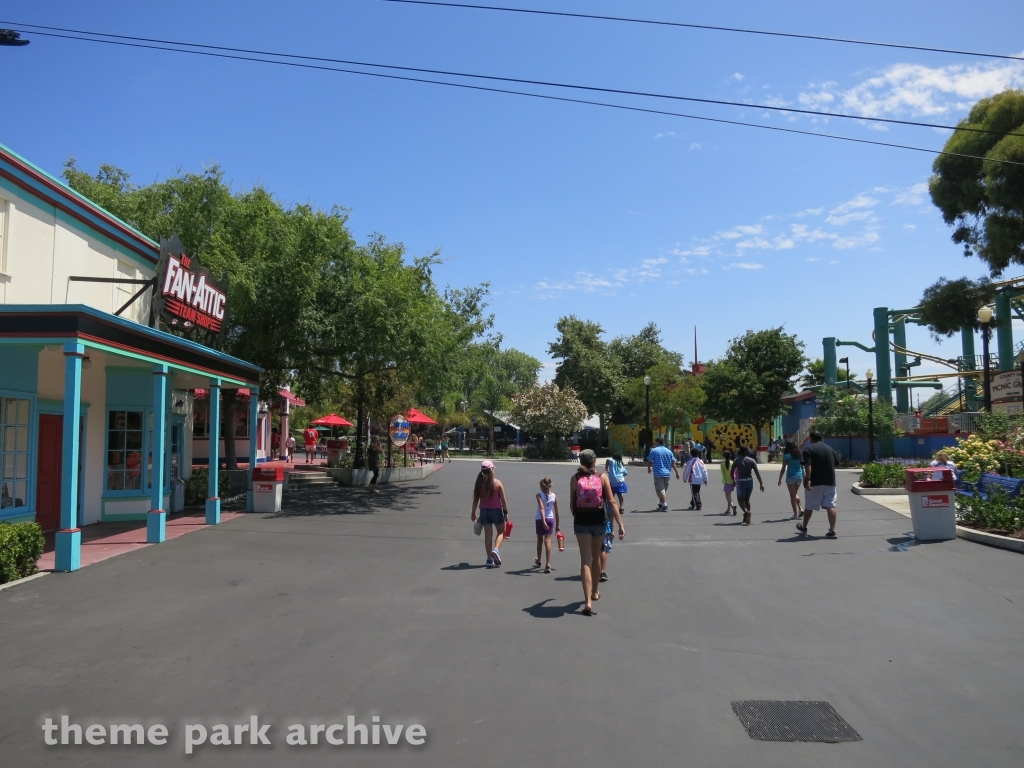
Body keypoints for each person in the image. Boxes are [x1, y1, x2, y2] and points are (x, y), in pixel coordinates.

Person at [570, 449, 623, 615]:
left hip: (581, 521)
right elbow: (611, 502)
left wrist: (578, 515)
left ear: (581, 462)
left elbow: (572, 504)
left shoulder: (575, 478)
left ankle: (587, 601)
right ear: (594, 461)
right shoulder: (602, 477)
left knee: (585, 560)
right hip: (599, 521)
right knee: (596, 556)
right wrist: (620, 524)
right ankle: (594, 592)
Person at [798, 432, 838, 538]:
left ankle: (804, 526)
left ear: (811, 438)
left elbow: (808, 465)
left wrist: (808, 479)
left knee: (810, 505)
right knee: (831, 505)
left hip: (815, 482)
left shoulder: (809, 450)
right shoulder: (830, 449)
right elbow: (835, 463)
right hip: (830, 482)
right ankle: (832, 530)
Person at [471, 460, 508, 568]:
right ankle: (496, 550)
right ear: (491, 470)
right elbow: (503, 500)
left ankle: (489, 559)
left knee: (488, 535)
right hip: (496, 511)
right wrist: (505, 513)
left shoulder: (480, 483)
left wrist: (473, 513)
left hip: (484, 511)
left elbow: (476, 499)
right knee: (501, 531)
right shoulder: (498, 483)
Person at [534, 477, 560, 573]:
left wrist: (543, 521)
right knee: (548, 541)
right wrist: (557, 525)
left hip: (540, 519)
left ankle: (539, 559)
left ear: (542, 486)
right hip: (550, 519)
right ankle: (548, 564)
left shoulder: (539, 495)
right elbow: (556, 512)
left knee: (540, 540)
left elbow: (541, 508)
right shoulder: (554, 496)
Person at [646, 436, 680, 511]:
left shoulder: (654, 451)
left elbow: (649, 460)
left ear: (658, 442)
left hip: (658, 473)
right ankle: (661, 503)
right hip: (667, 473)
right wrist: (677, 472)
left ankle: (664, 504)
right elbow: (673, 463)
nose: (655, 443)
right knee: (663, 489)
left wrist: (649, 468)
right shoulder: (669, 451)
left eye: (655, 442)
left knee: (660, 489)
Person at [734, 445, 764, 526]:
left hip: (741, 481)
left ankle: (746, 512)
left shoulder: (737, 460)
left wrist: (733, 480)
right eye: (748, 450)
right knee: (747, 500)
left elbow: (732, 471)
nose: (750, 451)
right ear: (744, 451)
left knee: (740, 500)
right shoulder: (752, 460)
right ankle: (746, 517)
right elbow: (757, 473)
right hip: (750, 481)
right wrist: (761, 484)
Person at [777, 440, 805, 520]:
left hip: (790, 476)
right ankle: (800, 508)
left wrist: (780, 478)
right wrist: (804, 477)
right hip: (799, 475)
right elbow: (802, 466)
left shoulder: (786, 456)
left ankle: (795, 514)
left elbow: (783, 468)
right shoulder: (799, 454)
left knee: (792, 495)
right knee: (795, 493)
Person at [720, 448, 737, 515]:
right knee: (729, 496)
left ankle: (732, 506)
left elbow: (723, 473)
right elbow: (736, 472)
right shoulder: (733, 463)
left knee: (727, 496)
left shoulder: (722, 464)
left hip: (727, 481)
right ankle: (728, 509)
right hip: (733, 481)